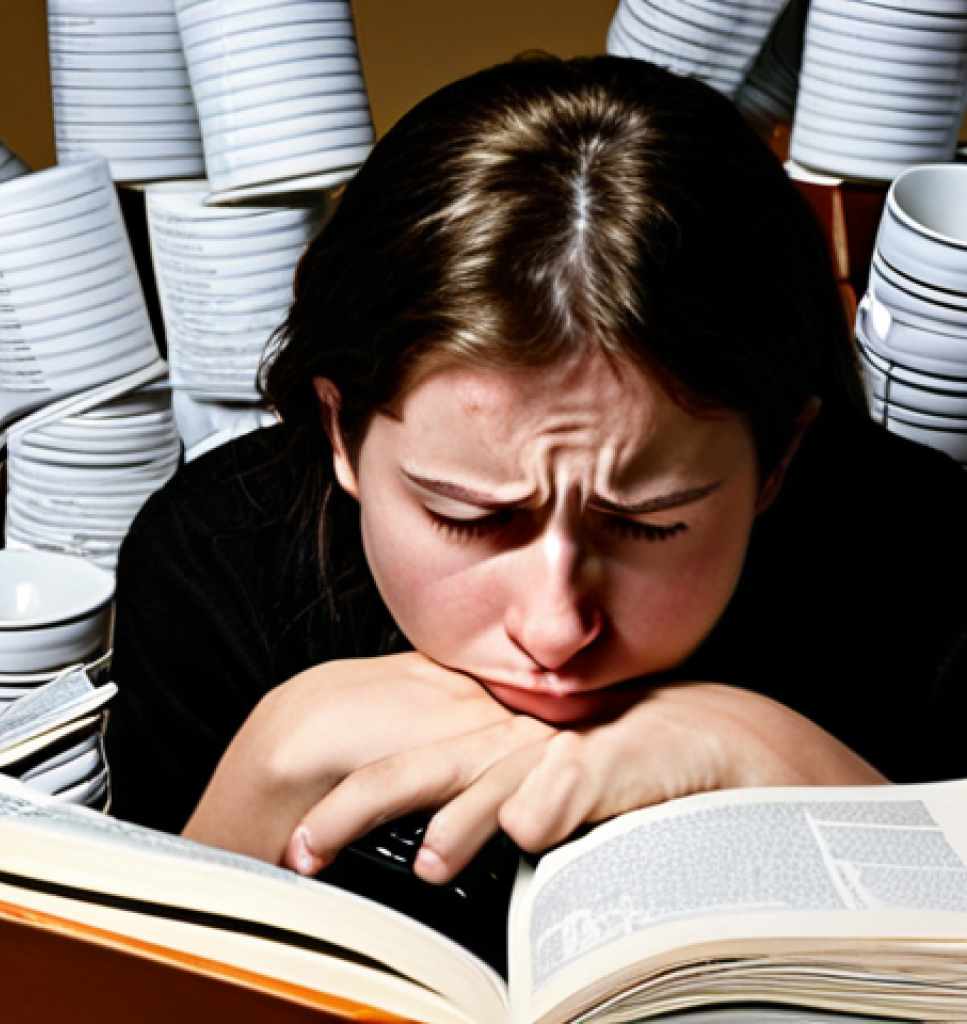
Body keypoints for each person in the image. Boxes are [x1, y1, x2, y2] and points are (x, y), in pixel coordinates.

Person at [107, 54, 967, 943]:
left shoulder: (932, 568)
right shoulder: (215, 562)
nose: (556, 631)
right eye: (467, 517)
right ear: (341, 433)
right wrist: (269, 769)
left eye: (649, 522)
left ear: (779, 459)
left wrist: (796, 773)